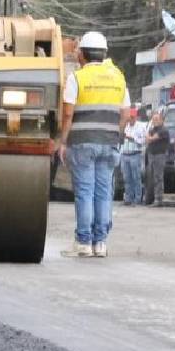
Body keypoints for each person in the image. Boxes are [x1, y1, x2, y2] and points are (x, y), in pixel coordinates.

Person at [56, 31, 129, 258]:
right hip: (109, 144)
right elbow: (125, 114)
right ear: (104, 53)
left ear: (82, 55)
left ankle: (83, 242)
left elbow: (68, 113)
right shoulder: (118, 76)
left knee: (85, 193)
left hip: (82, 143)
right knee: (103, 193)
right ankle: (100, 243)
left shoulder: (77, 78)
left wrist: (62, 141)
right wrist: (114, 135)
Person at [120, 110, 148, 206]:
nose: (130, 120)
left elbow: (144, 140)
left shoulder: (141, 127)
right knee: (127, 178)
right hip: (125, 154)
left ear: (136, 117)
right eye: (129, 118)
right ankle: (128, 198)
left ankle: (137, 199)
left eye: (132, 117)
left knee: (136, 177)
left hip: (135, 154)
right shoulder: (125, 126)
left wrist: (132, 138)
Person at [145, 112, 171, 206]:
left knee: (158, 178)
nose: (154, 121)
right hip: (151, 155)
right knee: (152, 178)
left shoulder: (163, 130)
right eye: (153, 119)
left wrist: (149, 137)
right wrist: (149, 137)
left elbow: (152, 139)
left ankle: (158, 199)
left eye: (156, 119)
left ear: (161, 120)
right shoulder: (152, 129)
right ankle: (152, 199)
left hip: (159, 156)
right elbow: (147, 139)